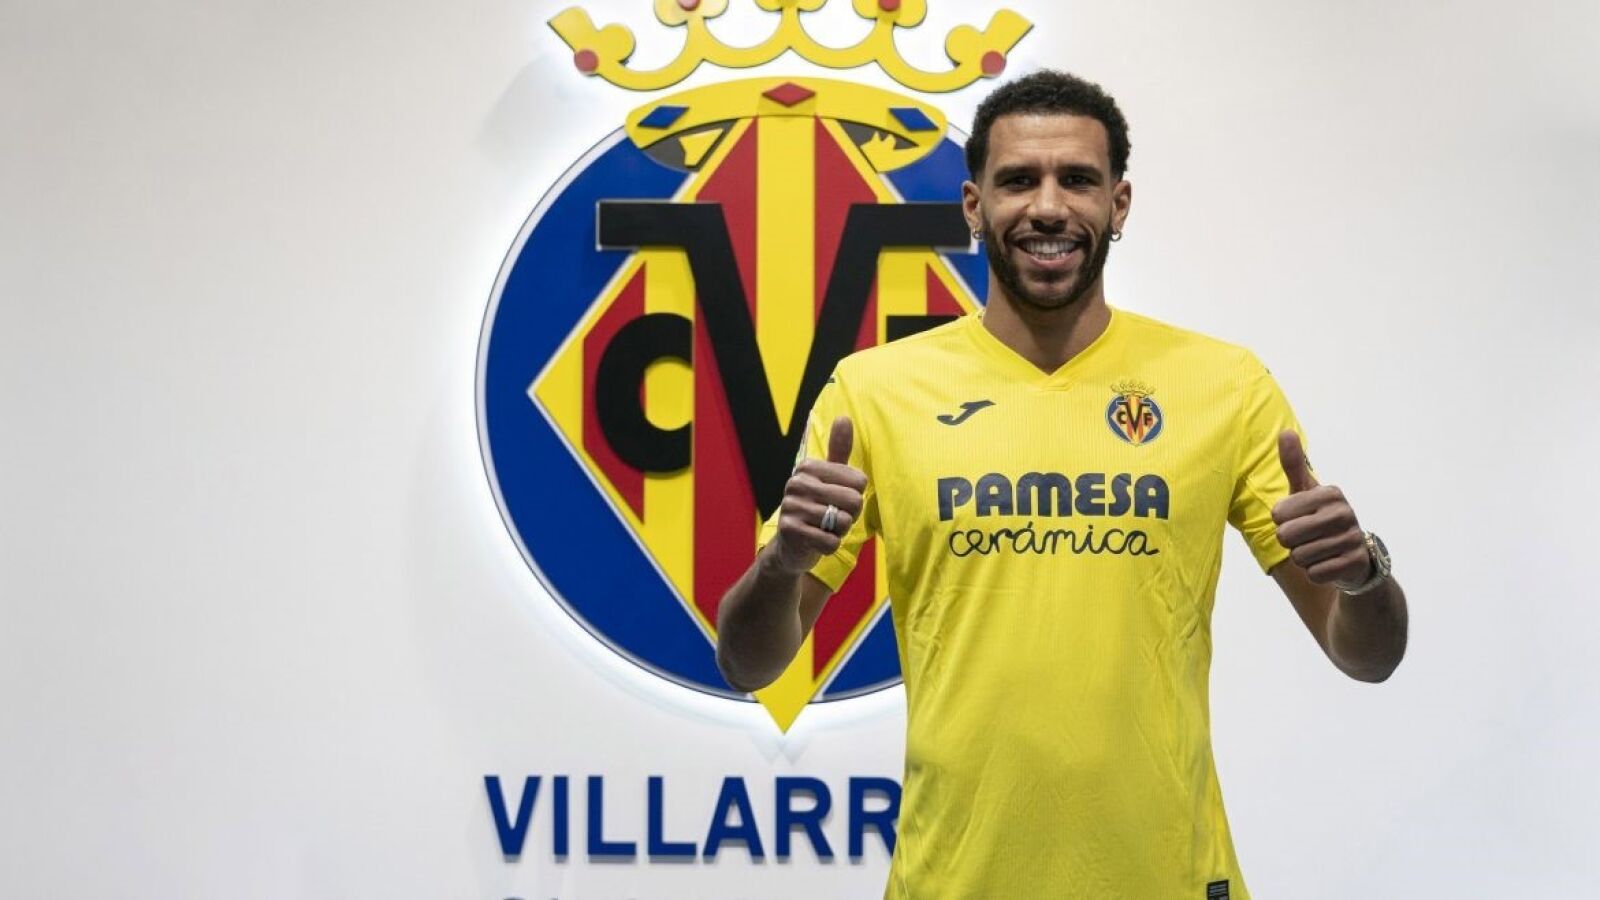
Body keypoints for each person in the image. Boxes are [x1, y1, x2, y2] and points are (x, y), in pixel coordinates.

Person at [714, 70, 1409, 900]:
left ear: (1119, 204)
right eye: (1018, 181)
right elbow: (749, 663)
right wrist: (783, 564)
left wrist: (1363, 576)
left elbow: (1368, 657)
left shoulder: (1224, 385)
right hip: (955, 885)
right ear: (974, 206)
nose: (1048, 207)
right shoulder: (874, 392)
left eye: (1077, 179)